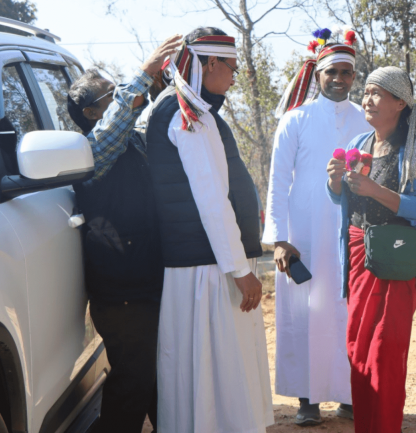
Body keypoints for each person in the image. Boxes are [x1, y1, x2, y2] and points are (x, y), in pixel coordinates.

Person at [144, 27, 273, 432]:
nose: (235, 77)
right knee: (218, 373)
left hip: (205, 264)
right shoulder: (187, 112)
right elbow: (211, 199)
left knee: (205, 371)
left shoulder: (187, 107)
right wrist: (240, 269)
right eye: (231, 68)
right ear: (211, 63)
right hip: (207, 269)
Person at [66, 35, 181, 433]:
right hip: (123, 294)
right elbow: (112, 131)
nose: (120, 99)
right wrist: (143, 74)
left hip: (144, 284)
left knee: (153, 376)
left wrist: (161, 90)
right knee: (132, 383)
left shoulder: (131, 140)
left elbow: (142, 126)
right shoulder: (89, 151)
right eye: (110, 95)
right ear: (89, 112)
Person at [263, 34, 371, 425]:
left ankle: (348, 394)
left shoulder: (365, 118)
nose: (339, 79)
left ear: (354, 76)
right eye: (332, 72)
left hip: (351, 229)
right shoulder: (295, 119)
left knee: (347, 311)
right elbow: (278, 181)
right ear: (317, 75)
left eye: (346, 72)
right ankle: (306, 399)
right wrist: (279, 238)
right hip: (303, 232)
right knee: (304, 313)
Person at [326, 66, 416, 432]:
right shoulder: (359, 144)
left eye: (377, 93)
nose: (367, 100)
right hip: (359, 254)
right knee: (358, 348)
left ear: (400, 103)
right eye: (366, 92)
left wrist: (376, 191)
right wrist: (335, 183)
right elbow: (345, 201)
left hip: (396, 258)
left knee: (385, 353)